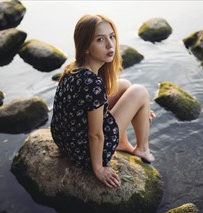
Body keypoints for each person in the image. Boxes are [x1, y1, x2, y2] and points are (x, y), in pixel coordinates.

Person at [51, 14, 155, 188]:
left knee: (124, 85)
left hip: (66, 141)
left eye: (111, 37)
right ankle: (142, 149)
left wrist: (137, 112)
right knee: (140, 92)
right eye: (100, 40)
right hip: (85, 153)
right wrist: (98, 169)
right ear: (85, 47)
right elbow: (95, 134)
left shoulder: (73, 69)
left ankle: (122, 143)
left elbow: (87, 106)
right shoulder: (92, 83)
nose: (110, 45)